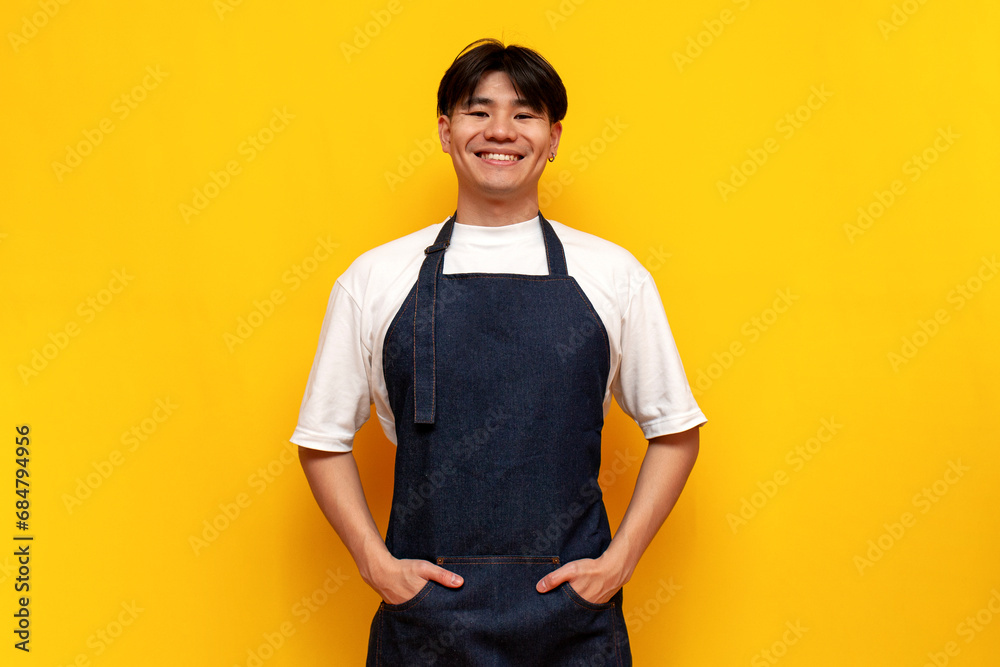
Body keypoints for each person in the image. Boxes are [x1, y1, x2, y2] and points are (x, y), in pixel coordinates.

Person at [291, 37, 706, 666]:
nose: (500, 131)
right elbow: (321, 438)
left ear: (554, 136)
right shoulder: (376, 278)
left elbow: (676, 432)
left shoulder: (614, 275)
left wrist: (617, 566)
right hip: (425, 619)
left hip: (571, 620)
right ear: (445, 129)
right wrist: (378, 567)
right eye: (478, 111)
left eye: (525, 113)